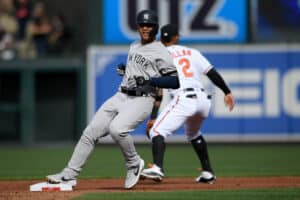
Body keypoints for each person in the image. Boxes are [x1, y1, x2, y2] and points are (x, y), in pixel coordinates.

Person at [46, 10, 179, 190]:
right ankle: (69, 175)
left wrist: (150, 80)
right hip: (121, 95)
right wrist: (127, 70)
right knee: (90, 133)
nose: (145, 28)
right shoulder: (134, 45)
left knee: (117, 130)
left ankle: (134, 164)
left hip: (142, 99)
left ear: (155, 27)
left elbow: (174, 81)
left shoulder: (160, 50)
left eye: (149, 25)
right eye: (142, 24)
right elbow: (139, 69)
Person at [140, 24, 235, 184]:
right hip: (203, 100)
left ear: (161, 39)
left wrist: (154, 116)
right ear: (176, 37)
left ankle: (157, 168)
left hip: (184, 98)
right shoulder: (192, 52)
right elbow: (211, 73)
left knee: (157, 130)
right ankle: (207, 173)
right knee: (193, 134)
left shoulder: (160, 55)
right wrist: (227, 92)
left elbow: (159, 90)